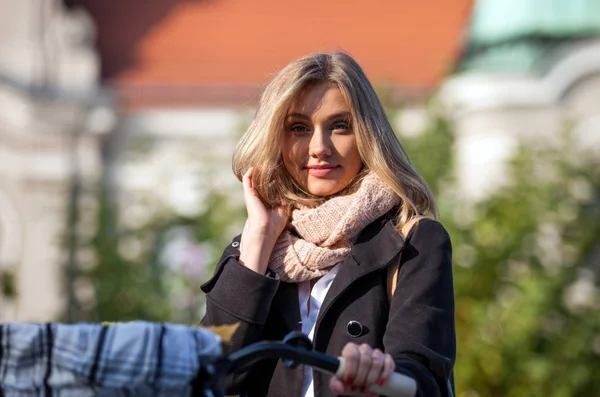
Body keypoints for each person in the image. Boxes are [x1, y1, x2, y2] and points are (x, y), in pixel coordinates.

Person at [200, 52, 455, 397]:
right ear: (277, 139)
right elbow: (210, 373)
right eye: (299, 128)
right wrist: (258, 242)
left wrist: (381, 378)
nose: (319, 148)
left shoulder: (412, 240)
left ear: (367, 135)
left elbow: (424, 379)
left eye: (340, 125)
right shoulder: (251, 251)